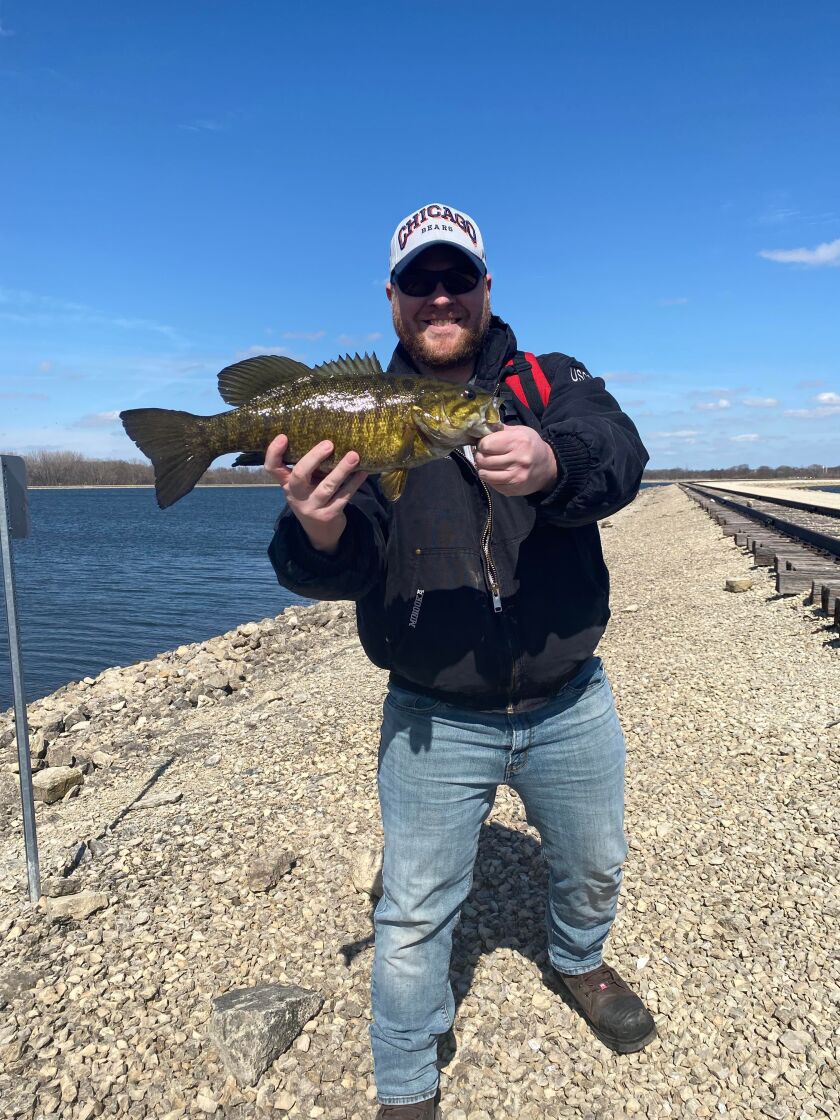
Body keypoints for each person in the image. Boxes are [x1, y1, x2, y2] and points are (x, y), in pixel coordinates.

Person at [266, 203, 653, 1119]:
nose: (439, 296)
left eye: (457, 277)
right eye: (419, 280)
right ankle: (405, 1080)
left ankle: (580, 959)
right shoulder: (366, 412)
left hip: (569, 700)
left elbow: (620, 452)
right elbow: (344, 557)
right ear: (392, 297)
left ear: (486, 287)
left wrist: (555, 462)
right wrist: (317, 528)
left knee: (596, 863)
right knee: (410, 915)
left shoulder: (549, 379)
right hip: (433, 717)